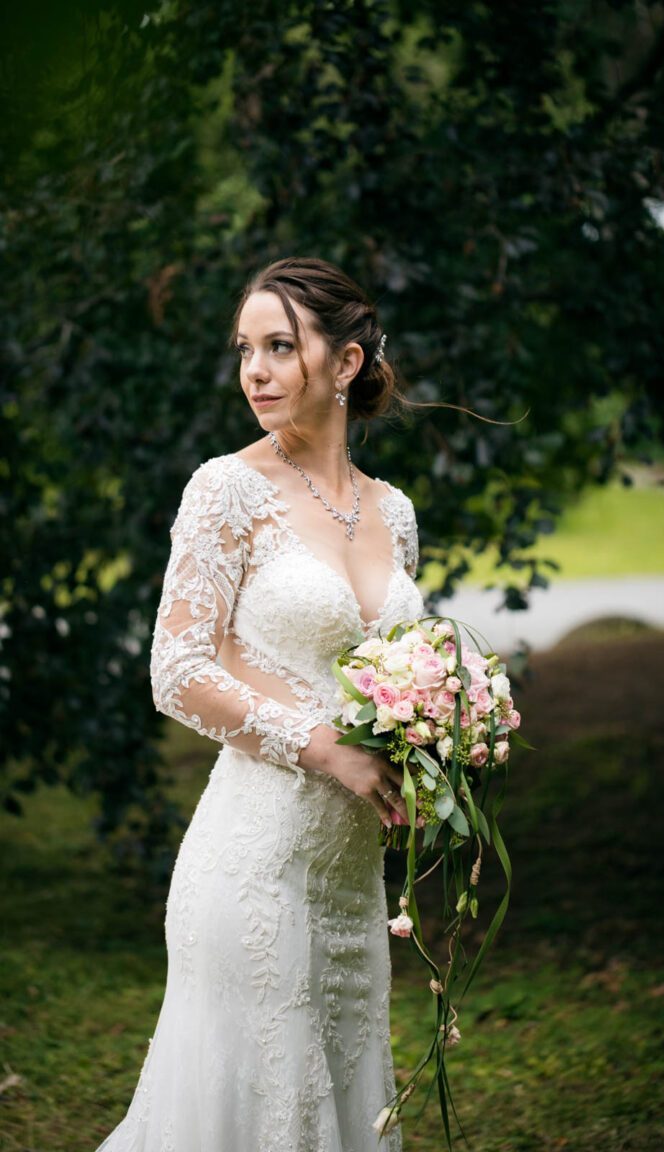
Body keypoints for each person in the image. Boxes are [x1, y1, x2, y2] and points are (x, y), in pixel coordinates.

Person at [95, 257, 424, 1152]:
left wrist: (432, 744)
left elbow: (393, 673)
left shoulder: (393, 513)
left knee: (347, 1105)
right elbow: (177, 671)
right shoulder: (225, 489)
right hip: (254, 863)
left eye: (281, 346)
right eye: (246, 348)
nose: (255, 370)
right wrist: (326, 749)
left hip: (354, 877)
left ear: (346, 363)